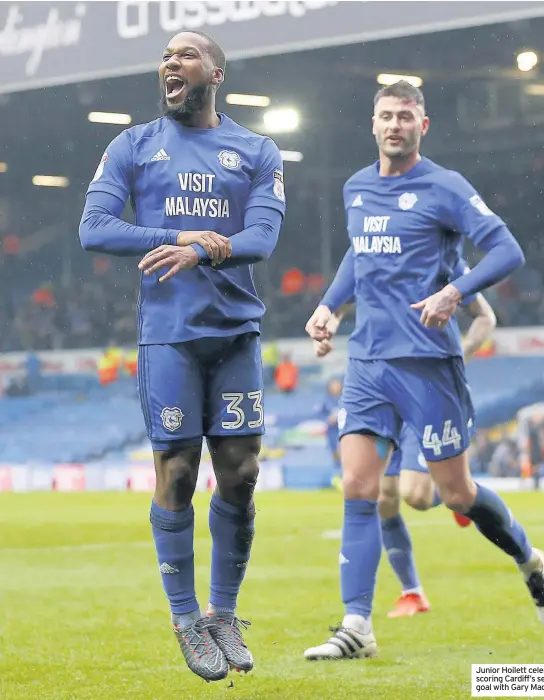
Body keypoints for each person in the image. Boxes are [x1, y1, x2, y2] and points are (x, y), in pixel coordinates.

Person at [303, 81, 544, 660]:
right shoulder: (356, 189)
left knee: (453, 493)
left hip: (428, 364)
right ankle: (356, 625)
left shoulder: (445, 188)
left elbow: (507, 251)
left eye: (405, 116)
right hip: (368, 360)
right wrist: (329, 305)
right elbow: (357, 249)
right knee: (359, 487)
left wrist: (455, 292)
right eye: (386, 116)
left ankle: (529, 560)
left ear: (424, 125)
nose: (395, 125)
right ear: (372, 125)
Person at [79, 31, 286, 682]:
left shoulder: (256, 149)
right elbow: (95, 227)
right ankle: (185, 616)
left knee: (241, 474)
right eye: (165, 56)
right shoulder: (132, 145)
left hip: (234, 334)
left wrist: (205, 249)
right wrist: (177, 234)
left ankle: (223, 614)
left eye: (185, 54)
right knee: (176, 474)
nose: (170, 62)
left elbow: (262, 234)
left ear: (215, 73)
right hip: (168, 335)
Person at [311, 258, 497, 619]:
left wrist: (457, 356)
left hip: (425, 389)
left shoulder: (442, 256)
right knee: (384, 498)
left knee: (417, 495)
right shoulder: (371, 249)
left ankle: (459, 493)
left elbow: (485, 317)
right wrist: (328, 325)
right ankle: (412, 592)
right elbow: (343, 300)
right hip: (380, 391)